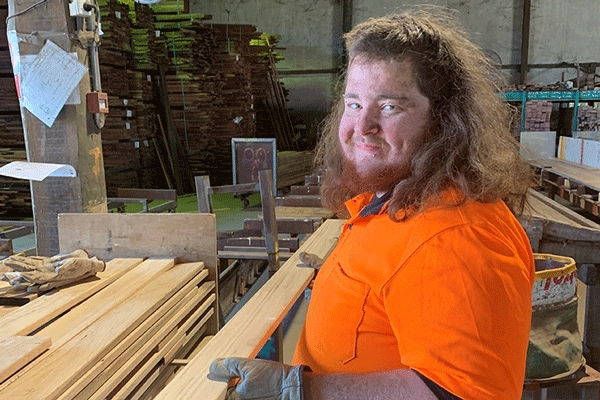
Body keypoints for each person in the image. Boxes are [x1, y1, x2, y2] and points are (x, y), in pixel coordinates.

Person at [208, 6, 535, 400]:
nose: (362, 126)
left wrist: (299, 388)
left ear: (443, 120)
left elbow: (465, 394)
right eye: (354, 103)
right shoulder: (391, 199)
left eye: (391, 106)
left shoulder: (454, 237)